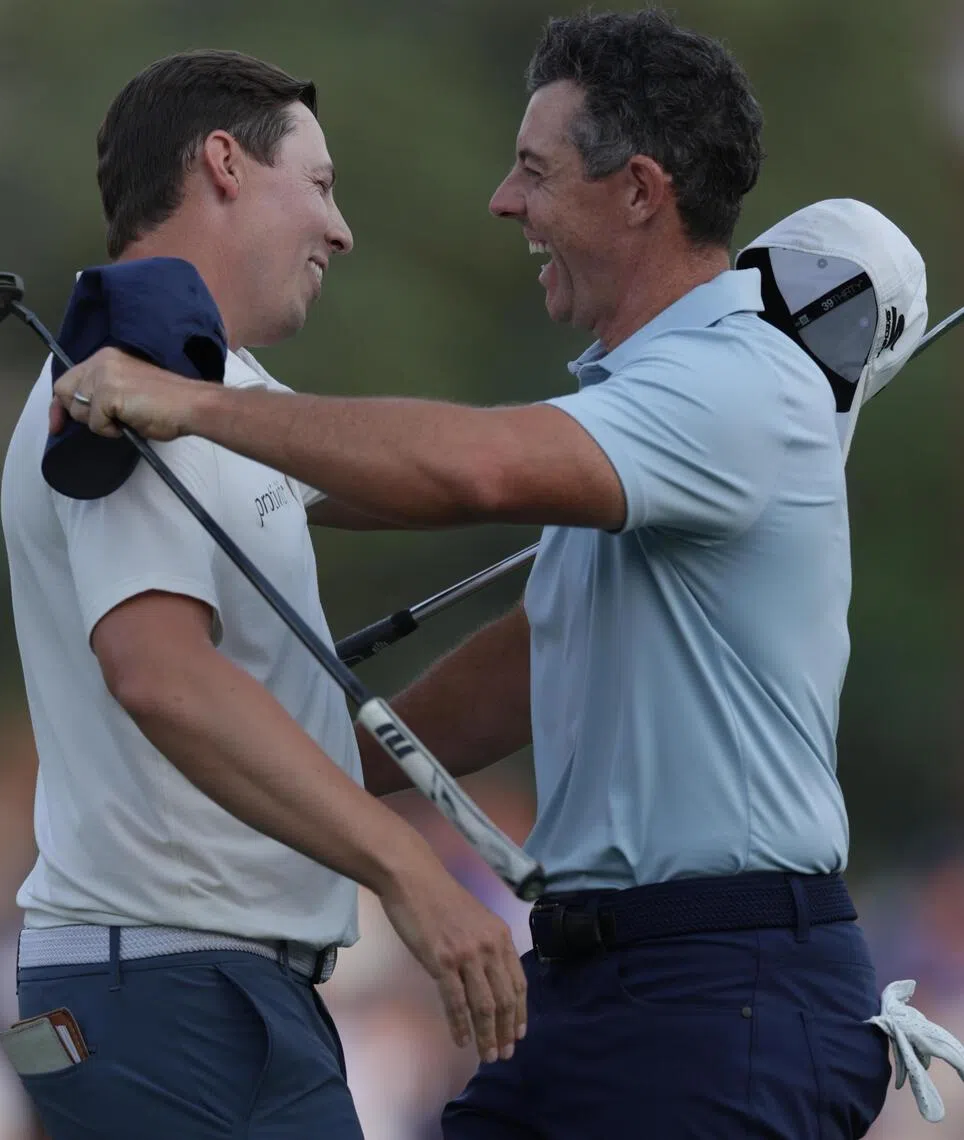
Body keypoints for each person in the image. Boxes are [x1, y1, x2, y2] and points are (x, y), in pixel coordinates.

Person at [51, 12, 960, 1138]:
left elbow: (469, 468)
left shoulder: (740, 383)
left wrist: (191, 404)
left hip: (721, 993)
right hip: (605, 990)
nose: (503, 200)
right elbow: (527, 660)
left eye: (533, 170)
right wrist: (308, 780)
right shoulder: (641, 404)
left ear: (638, 191)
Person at [1, 48, 525, 1140]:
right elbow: (159, 672)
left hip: (202, 993)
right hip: (173, 996)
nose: (341, 231)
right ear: (225, 164)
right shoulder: (131, 357)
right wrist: (409, 871)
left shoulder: (214, 387)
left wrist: (619, 472)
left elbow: (400, 474)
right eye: (322, 185)